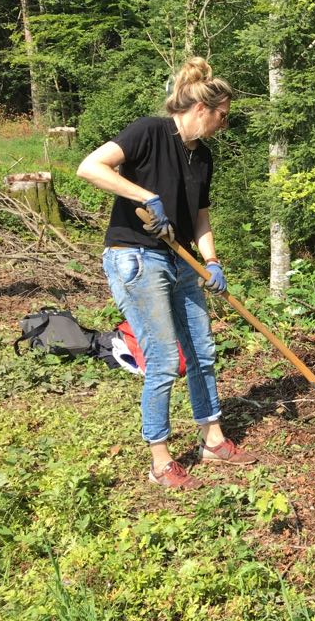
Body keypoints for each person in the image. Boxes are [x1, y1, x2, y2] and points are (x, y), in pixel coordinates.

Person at [77, 57, 256, 489]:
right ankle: (160, 462)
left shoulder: (203, 157)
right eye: (223, 116)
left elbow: (201, 217)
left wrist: (211, 261)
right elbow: (90, 167)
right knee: (162, 360)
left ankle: (212, 440)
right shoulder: (149, 131)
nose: (223, 125)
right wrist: (145, 195)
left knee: (202, 350)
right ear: (201, 109)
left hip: (181, 259)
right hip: (136, 256)